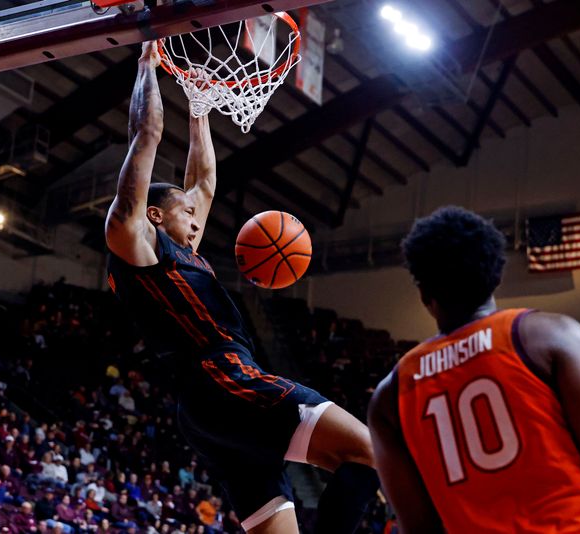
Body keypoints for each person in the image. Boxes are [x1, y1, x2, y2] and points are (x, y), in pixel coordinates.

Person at [103, 41, 377, 534]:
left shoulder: (181, 248)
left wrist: (200, 105)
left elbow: (204, 181)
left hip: (211, 410)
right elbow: (144, 135)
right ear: (154, 215)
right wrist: (148, 59)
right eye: (185, 211)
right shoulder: (134, 241)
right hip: (224, 380)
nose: (197, 216)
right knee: (370, 454)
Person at [367, 206, 580, 533]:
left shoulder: (390, 396)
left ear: (424, 293)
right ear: (497, 274)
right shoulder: (551, 337)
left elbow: (419, 528)